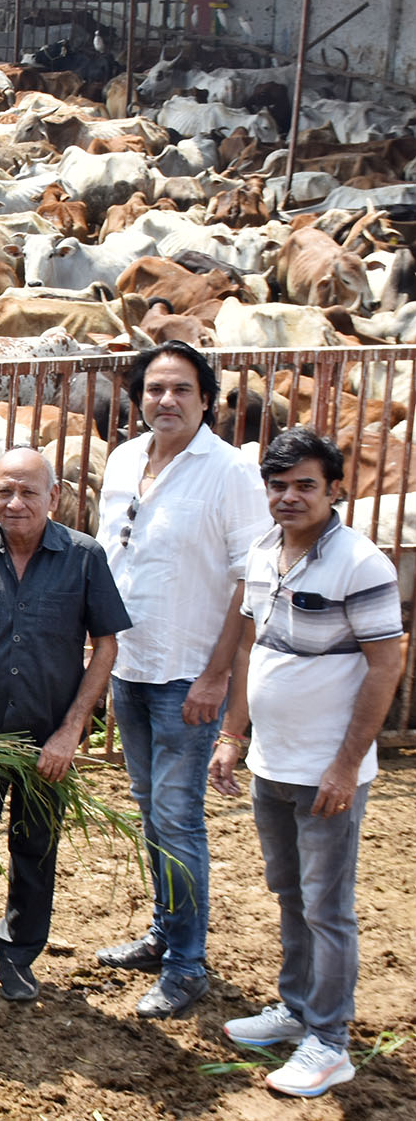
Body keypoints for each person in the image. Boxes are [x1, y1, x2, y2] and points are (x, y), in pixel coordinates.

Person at [210, 428, 401, 1097]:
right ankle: (295, 1009)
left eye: (305, 485)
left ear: (334, 490)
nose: (289, 497)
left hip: (326, 773)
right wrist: (233, 734)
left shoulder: (360, 563)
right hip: (272, 764)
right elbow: (250, 649)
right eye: (278, 485)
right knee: (289, 893)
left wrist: (346, 765)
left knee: (327, 906)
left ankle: (329, 1040)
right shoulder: (264, 551)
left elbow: (384, 667)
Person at [95, 339, 270, 1018]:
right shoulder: (122, 459)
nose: (165, 400)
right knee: (150, 808)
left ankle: (187, 963)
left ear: (207, 400)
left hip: (188, 673)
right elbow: (111, 559)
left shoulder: (230, 471)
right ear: (139, 397)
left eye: (181, 390)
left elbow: (250, 580)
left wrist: (216, 674)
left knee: (177, 816)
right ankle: (165, 933)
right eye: (155, 389)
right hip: (130, 665)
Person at [0, 448, 131, 1001]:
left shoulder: (84, 557)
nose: (15, 503)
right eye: (4, 492)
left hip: (47, 741)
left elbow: (106, 645)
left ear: (54, 497)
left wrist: (72, 730)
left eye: (28, 492)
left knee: (35, 849)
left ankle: (19, 955)